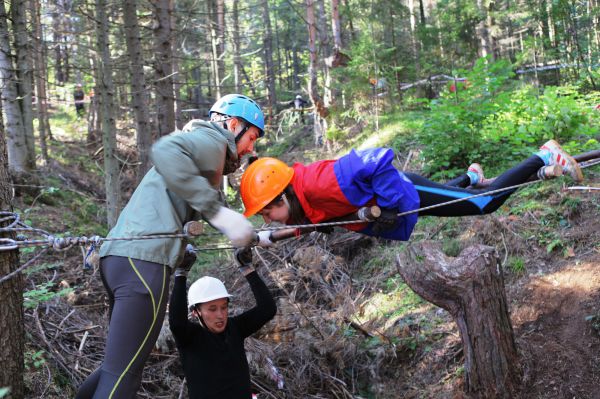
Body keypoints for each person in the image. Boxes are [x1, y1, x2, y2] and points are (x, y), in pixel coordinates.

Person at [76, 94, 265, 398]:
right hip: (144, 264)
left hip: (121, 260)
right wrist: (218, 213)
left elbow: (208, 202)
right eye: (252, 137)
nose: (251, 148)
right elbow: (165, 150)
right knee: (124, 377)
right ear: (233, 125)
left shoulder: (206, 156)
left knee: (117, 367)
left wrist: (254, 235)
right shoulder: (211, 141)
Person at [240, 140, 584, 245]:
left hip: (404, 195)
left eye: (267, 212)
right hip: (405, 203)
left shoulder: (319, 182)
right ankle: (469, 176)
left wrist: (389, 204)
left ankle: (543, 155)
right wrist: (265, 238)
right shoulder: (303, 202)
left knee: (484, 203)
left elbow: (374, 159)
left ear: (282, 198)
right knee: (452, 196)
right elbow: (312, 223)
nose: (268, 218)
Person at [169, 247, 277, 399]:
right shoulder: (190, 337)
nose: (220, 315)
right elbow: (177, 323)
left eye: (224, 307)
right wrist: (181, 274)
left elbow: (267, 309)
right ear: (195, 312)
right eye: (212, 309)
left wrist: (247, 268)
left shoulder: (235, 328)